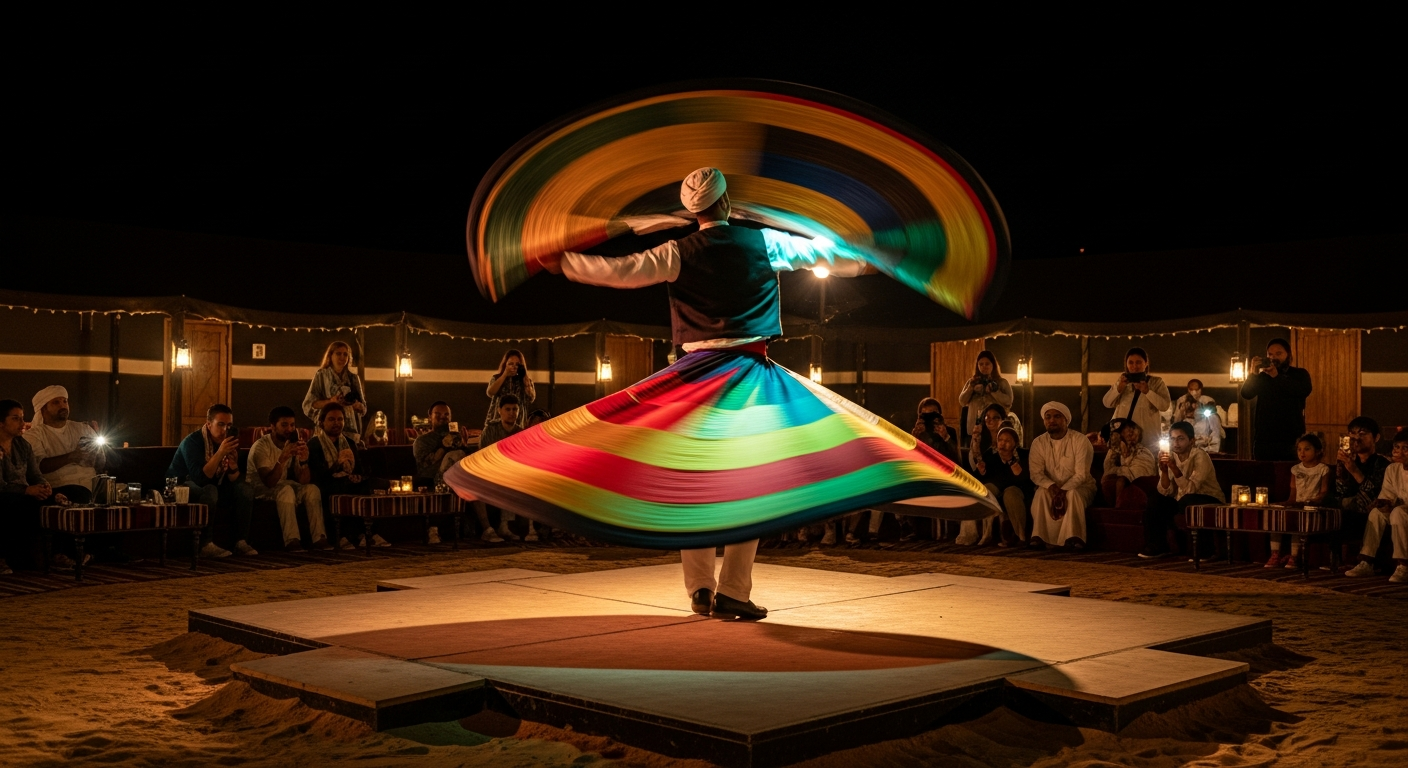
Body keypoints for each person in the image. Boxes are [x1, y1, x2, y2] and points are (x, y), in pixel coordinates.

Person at [451, 167, 996, 622]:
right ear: (728, 203)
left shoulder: (678, 250)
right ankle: (734, 591)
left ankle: (700, 589)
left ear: (693, 213)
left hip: (693, 380)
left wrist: (566, 262)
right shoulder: (763, 241)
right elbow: (823, 256)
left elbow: (622, 272)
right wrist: (865, 257)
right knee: (748, 486)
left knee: (695, 486)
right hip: (750, 377)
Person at [167, 404, 255, 558]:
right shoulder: (192, 442)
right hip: (181, 486)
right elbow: (200, 478)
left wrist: (233, 465)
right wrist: (220, 452)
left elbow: (234, 479)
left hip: (214, 485)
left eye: (229, 425)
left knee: (245, 489)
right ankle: (205, 545)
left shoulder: (229, 442)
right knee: (210, 490)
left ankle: (240, 542)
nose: (225, 430)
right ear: (209, 424)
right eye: (220, 424)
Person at [1, 398, 78, 572]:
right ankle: (12, 559)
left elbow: (35, 474)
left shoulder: (22, 445)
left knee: (71, 494)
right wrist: (27, 490)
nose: (22, 423)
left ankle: (59, 554)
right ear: (1, 423)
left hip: (25, 493)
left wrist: (45, 488)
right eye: (15, 418)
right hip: (7, 496)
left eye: (22, 418)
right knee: (19, 504)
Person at [247, 406, 330, 552]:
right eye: (284, 425)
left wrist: (304, 461)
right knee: (286, 490)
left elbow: (303, 481)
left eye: (292, 425)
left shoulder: (292, 444)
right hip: (259, 488)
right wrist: (283, 457)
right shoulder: (261, 446)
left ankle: (319, 539)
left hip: (282, 484)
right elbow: (269, 482)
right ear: (273, 426)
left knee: (312, 489)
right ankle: (292, 541)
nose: (290, 429)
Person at [414, 401, 497, 544]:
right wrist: (444, 446)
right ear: (430, 417)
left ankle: (487, 529)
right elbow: (425, 464)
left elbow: (467, 456)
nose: (443, 417)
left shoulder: (455, 437)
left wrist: (461, 444)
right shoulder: (422, 440)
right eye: (438, 414)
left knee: (472, 478)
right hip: (434, 478)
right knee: (455, 456)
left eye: (446, 414)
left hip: (458, 477)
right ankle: (434, 529)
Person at [1140, 421, 1225, 558]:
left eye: (1180, 439)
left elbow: (1191, 489)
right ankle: (1158, 545)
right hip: (1182, 499)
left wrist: (1174, 468)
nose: (1176, 443)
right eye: (1172, 439)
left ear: (1191, 441)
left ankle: (1206, 550)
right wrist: (1165, 471)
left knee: (1188, 500)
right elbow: (1165, 491)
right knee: (1156, 499)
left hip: (1207, 497)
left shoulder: (1200, 456)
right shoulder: (1170, 456)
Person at [307, 403, 385, 550]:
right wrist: (337, 464)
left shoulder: (349, 442)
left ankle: (367, 534)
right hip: (326, 483)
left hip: (347, 481)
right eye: (332, 419)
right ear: (322, 422)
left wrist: (358, 477)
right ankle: (343, 536)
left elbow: (359, 469)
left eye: (340, 419)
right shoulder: (314, 444)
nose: (337, 423)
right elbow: (318, 475)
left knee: (370, 485)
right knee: (340, 488)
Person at [1029, 402, 1096, 550]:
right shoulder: (1038, 443)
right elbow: (1036, 474)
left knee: (1072, 494)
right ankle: (1039, 536)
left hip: (1081, 487)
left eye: (1057, 416)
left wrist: (1063, 490)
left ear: (1066, 420)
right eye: (1048, 417)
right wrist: (1051, 486)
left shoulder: (1080, 441)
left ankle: (1074, 537)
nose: (1052, 420)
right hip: (1051, 486)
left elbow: (1081, 474)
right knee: (1041, 493)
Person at [1345, 430, 1408, 583]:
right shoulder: (1392, 469)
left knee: (1398, 512)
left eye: (1405, 448)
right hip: (1399, 510)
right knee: (1376, 513)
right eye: (1396, 447)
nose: (1399, 451)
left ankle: (1404, 565)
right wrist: (1382, 504)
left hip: (1402, 511)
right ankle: (1367, 561)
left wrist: (1394, 507)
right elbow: (1387, 495)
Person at [26, 385, 104, 503]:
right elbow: (37, 467)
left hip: (93, 486)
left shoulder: (83, 428)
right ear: (43, 409)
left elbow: (101, 463)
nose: (63, 406)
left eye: (65, 401)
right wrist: (71, 457)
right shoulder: (33, 435)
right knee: (79, 493)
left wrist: (99, 455)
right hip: (60, 489)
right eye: (56, 402)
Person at [1239, 338, 1313, 461]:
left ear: (1288, 354)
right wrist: (1253, 374)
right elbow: (1246, 394)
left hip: (1291, 439)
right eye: (1270, 354)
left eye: (1278, 353)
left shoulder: (1299, 374)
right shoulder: (1263, 377)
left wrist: (1276, 376)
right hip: (1264, 439)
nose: (1274, 358)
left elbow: (1302, 390)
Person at [1265, 434, 1331, 570]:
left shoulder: (1322, 469)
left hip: (1312, 506)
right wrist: (1287, 503)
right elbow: (1293, 494)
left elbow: (1323, 492)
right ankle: (1275, 554)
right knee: (1276, 517)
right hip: (1298, 504)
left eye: (1307, 449)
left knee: (1298, 520)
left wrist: (1312, 501)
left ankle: (1294, 557)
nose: (1302, 453)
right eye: (1299, 449)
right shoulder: (1296, 469)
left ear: (1318, 451)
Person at [478, 395, 532, 542]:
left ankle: (531, 526)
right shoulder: (490, 430)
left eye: (515, 409)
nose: (511, 413)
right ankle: (503, 525)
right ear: (499, 411)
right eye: (507, 409)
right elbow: (483, 455)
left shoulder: (521, 432)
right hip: (490, 471)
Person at [970, 421, 1033, 547]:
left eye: (1007, 441)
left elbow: (1025, 480)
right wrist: (981, 471)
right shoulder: (991, 454)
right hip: (997, 490)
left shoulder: (1023, 455)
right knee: (986, 490)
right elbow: (979, 478)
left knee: (1010, 493)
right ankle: (986, 534)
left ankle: (1021, 536)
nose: (1003, 444)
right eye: (1000, 440)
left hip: (1018, 491)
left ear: (1015, 442)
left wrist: (1012, 463)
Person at [1335, 416, 1390, 558]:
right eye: (1352, 434)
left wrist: (1355, 471)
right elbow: (1340, 492)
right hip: (1348, 511)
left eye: (1362, 433)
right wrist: (1341, 468)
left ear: (1376, 437)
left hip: (1369, 513)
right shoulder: (1349, 460)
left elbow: (1375, 496)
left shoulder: (1383, 464)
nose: (1356, 438)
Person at [1101, 348, 1171, 454]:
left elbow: (1164, 405)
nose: (1134, 366)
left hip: (1145, 439)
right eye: (1131, 362)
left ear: (1146, 363)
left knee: (1144, 463)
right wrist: (1119, 388)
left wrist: (1147, 391)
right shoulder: (1122, 381)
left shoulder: (1156, 382)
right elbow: (1106, 402)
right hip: (1121, 439)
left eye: (1138, 362)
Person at [303, 341, 368, 445]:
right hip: (326, 432)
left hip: (350, 433)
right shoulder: (321, 376)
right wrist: (330, 402)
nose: (342, 357)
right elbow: (308, 404)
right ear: (330, 356)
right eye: (338, 353)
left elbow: (363, 408)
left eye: (345, 354)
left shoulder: (353, 378)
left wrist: (358, 406)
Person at [1101, 419, 1157, 507]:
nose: (1131, 433)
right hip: (1119, 495)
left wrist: (1121, 476)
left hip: (1140, 493)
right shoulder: (1113, 452)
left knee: (1121, 482)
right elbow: (1108, 472)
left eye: (1132, 430)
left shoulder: (1142, 452)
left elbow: (1140, 475)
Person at [957, 351, 1012, 437]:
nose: (984, 367)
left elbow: (1008, 401)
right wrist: (971, 388)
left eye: (987, 364)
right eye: (981, 364)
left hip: (994, 428)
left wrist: (993, 391)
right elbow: (962, 401)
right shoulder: (972, 381)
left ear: (993, 365)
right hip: (975, 428)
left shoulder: (1001, 382)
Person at [485, 349, 535, 429]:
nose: (514, 366)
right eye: (511, 364)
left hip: (518, 422)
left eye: (517, 364)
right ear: (505, 364)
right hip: (497, 421)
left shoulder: (525, 380)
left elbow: (531, 398)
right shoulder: (497, 378)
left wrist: (524, 378)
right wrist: (505, 374)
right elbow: (490, 392)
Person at [1171, 379, 1224, 452]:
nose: (1194, 392)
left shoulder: (1207, 403)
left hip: (1205, 451)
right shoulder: (1182, 402)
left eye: (1196, 390)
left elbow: (1215, 440)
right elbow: (1176, 422)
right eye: (1191, 389)